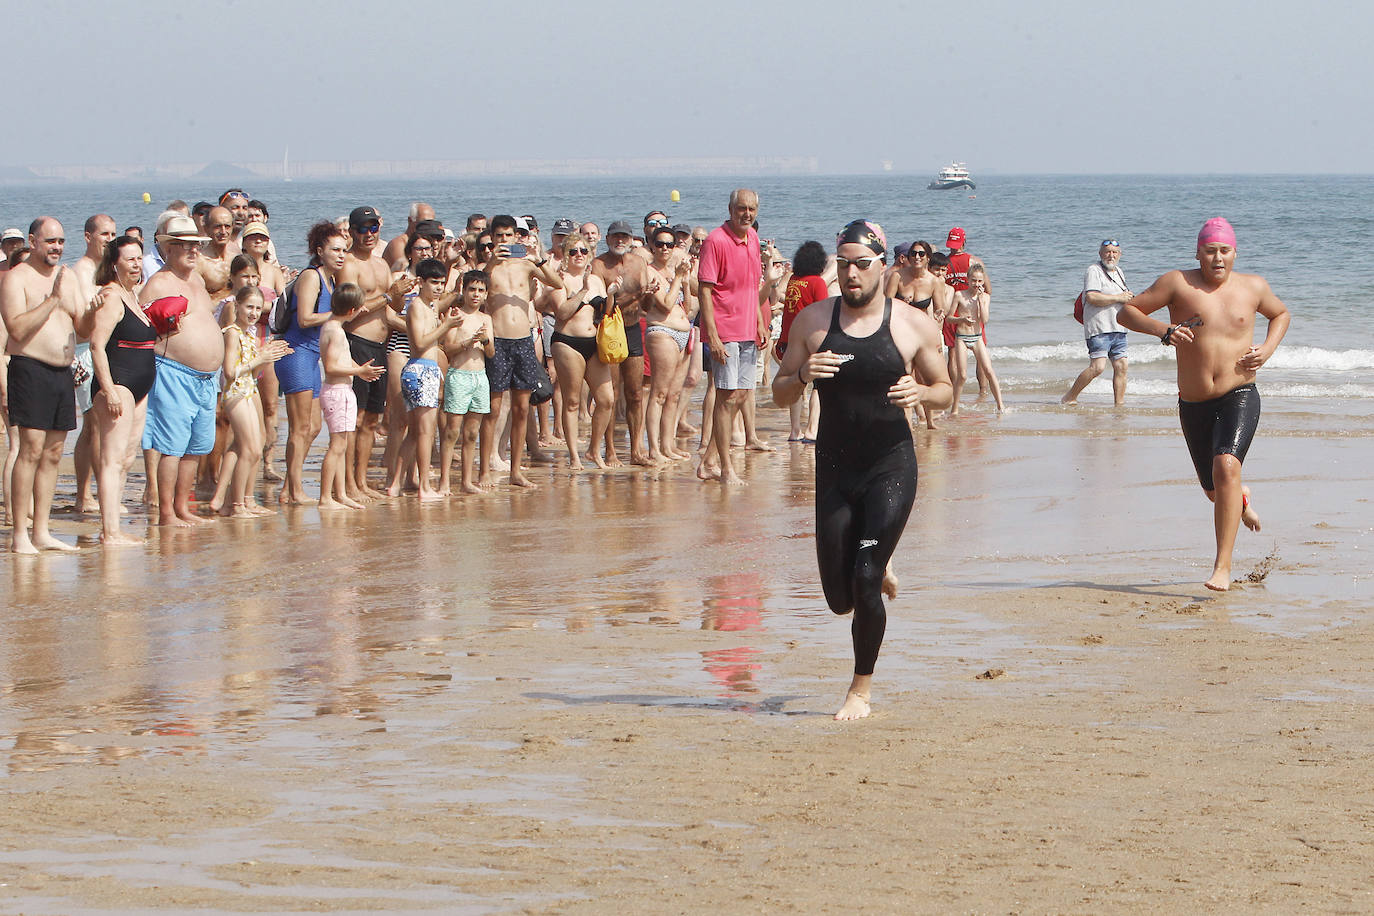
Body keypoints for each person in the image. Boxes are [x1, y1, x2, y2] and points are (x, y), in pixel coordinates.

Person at [771, 219, 952, 720]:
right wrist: (803, 374)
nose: (852, 274)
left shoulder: (912, 325)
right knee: (837, 597)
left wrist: (921, 393)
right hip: (834, 466)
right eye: (844, 264)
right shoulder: (811, 321)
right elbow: (778, 389)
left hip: (891, 464)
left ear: (881, 266)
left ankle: (860, 690)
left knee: (866, 576)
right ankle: (879, 558)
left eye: (862, 264)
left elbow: (947, 390)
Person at [1117, 217, 1290, 591]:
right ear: (1198, 253)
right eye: (1210, 251)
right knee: (1215, 490)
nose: (1217, 258)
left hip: (1240, 394)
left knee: (1226, 465)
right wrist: (1163, 330)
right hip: (1193, 402)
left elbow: (1281, 314)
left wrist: (1267, 350)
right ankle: (1240, 500)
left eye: (1224, 251)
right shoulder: (1177, 283)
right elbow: (1127, 311)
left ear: (1234, 253)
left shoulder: (1254, 286)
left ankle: (1222, 568)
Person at [1, 217, 95, 552]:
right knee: (30, 451)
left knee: (55, 453)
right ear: (33, 241)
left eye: (61, 241)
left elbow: (81, 330)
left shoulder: (66, 276)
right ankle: (19, 535)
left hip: (61, 371)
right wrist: (53, 300)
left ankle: (42, 531)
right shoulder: (16, 279)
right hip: (29, 368)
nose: (57, 248)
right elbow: (17, 330)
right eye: (50, 241)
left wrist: (92, 312)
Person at [139, 215, 224, 527]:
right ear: (168, 249)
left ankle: (182, 507)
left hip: (206, 378)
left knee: (195, 448)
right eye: (185, 246)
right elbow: (138, 326)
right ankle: (165, 513)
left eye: (195, 245)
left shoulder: (198, 282)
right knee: (172, 447)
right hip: (173, 372)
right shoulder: (158, 283)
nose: (192, 251)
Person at [695, 189, 773, 485]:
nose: (747, 214)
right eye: (742, 208)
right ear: (730, 209)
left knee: (741, 395)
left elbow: (753, 285)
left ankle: (708, 462)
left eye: (752, 209)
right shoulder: (716, 240)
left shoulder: (752, 238)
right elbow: (705, 290)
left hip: (747, 330)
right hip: (724, 328)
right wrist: (712, 335)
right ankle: (726, 468)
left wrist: (759, 323)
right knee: (726, 398)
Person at [480, 214, 563, 489]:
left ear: (516, 236)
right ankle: (483, 470)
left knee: (521, 408)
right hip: (498, 341)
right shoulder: (488, 268)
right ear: (492, 237)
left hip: (523, 341)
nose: (503, 241)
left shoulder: (526, 266)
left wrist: (537, 257)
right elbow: (477, 284)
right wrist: (493, 260)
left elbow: (556, 283)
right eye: (499, 236)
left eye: (508, 236)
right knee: (492, 409)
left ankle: (516, 471)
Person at [87, 234, 156, 544]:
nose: (136, 263)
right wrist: (109, 389)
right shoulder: (112, 296)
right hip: (118, 384)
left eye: (139, 258)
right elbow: (96, 345)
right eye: (130, 258)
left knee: (127, 458)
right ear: (114, 264)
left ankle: (113, 526)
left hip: (138, 387)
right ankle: (109, 531)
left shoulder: (133, 295)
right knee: (112, 460)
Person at [275, 222, 345, 505]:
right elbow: (304, 319)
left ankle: (287, 486)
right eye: (335, 250)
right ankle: (294, 490)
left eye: (343, 250)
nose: (341, 255)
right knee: (300, 428)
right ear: (320, 251)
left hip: (312, 356)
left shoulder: (331, 279)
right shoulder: (311, 277)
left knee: (314, 427)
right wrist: (338, 314)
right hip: (296, 353)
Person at [389, 258, 460, 501]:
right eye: (434, 283)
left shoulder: (430, 306)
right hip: (420, 369)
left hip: (424, 370)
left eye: (442, 283)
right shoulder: (417, 306)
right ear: (421, 282)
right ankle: (424, 487)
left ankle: (395, 484)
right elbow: (419, 343)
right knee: (425, 433)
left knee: (414, 433)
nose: (439, 288)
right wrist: (446, 324)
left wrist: (446, 322)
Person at [217, 286, 291, 517]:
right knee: (249, 449)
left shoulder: (249, 333)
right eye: (249, 307)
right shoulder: (231, 333)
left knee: (255, 448)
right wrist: (260, 358)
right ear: (236, 305)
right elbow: (229, 371)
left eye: (258, 309)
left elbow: (253, 368)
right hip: (235, 393)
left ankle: (247, 500)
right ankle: (235, 504)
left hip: (249, 391)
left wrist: (269, 354)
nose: (253, 313)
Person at [544, 234, 615, 470]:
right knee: (572, 401)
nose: (579, 255)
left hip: (593, 342)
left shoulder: (596, 279)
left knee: (606, 400)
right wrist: (582, 291)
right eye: (573, 251)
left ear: (590, 254)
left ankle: (594, 450)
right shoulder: (559, 279)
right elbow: (562, 312)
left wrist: (613, 294)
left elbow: (606, 311)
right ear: (565, 255)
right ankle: (574, 455)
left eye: (583, 251)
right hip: (567, 342)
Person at [592, 220, 656, 466]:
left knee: (635, 394)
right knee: (611, 393)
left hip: (632, 329)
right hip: (609, 330)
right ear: (607, 239)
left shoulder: (638, 263)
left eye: (624, 237)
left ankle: (636, 450)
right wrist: (638, 295)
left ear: (631, 240)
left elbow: (646, 306)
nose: (620, 241)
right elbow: (601, 306)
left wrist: (647, 295)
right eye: (615, 237)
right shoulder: (599, 265)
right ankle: (609, 450)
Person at [319, 282, 386, 510]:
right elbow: (330, 367)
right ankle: (326, 497)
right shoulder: (336, 332)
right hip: (337, 392)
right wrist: (359, 371)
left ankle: (339, 494)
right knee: (337, 446)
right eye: (360, 308)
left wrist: (361, 369)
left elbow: (341, 360)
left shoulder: (331, 327)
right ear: (351, 311)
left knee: (341, 444)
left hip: (340, 391)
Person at [71, 213, 118, 513]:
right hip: (84, 351)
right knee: (94, 425)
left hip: (104, 349)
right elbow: (81, 321)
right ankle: (87, 495)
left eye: (113, 234)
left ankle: (88, 494)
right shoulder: (82, 271)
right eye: (104, 234)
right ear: (88, 236)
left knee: (97, 426)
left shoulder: (109, 270)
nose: (110, 240)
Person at [437, 270, 495, 495]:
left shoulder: (486, 319)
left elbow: (491, 353)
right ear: (464, 290)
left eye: (481, 290)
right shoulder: (455, 315)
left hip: (480, 377)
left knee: (472, 432)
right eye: (472, 289)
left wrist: (485, 340)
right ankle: (444, 481)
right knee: (452, 431)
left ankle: (466, 480)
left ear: (486, 294)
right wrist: (467, 342)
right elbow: (448, 348)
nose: (476, 294)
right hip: (459, 375)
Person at [642, 226, 695, 463]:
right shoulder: (649, 272)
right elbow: (664, 303)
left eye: (669, 245)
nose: (664, 248)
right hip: (662, 333)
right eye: (660, 244)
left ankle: (668, 445)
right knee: (659, 393)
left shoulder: (675, 273)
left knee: (674, 395)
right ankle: (654, 448)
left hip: (683, 333)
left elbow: (690, 307)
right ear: (652, 246)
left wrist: (683, 280)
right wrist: (678, 281)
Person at [1062, 239, 1133, 406]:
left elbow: (1121, 297)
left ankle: (1119, 405)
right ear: (1100, 254)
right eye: (1107, 252)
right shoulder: (1093, 270)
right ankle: (1069, 397)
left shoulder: (1120, 272)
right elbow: (1092, 297)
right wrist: (1118, 298)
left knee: (1121, 366)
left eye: (1114, 252)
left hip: (1119, 327)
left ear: (1120, 255)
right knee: (1098, 367)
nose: (1111, 255)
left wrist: (1128, 299)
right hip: (1099, 328)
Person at [777, 241, 829, 442]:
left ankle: (794, 430)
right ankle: (812, 429)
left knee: (796, 384)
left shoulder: (793, 280)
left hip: (789, 338)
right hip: (810, 338)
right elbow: (823, 311)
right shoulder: (817, 282)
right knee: (819, 385)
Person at [946, 264, 1004, 415]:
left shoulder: (985, 297)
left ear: (983, 281)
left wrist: (979, 301)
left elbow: (984, 320)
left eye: (979, 281)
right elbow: (949, 318)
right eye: (973, 281)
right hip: (961, 338)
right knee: (963, 375)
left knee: (989, 371)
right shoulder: (959, 295)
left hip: (977, 337)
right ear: (968, 279)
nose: (976, 284)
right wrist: (962, 319)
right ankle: (955, 408)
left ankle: (1000, 406)